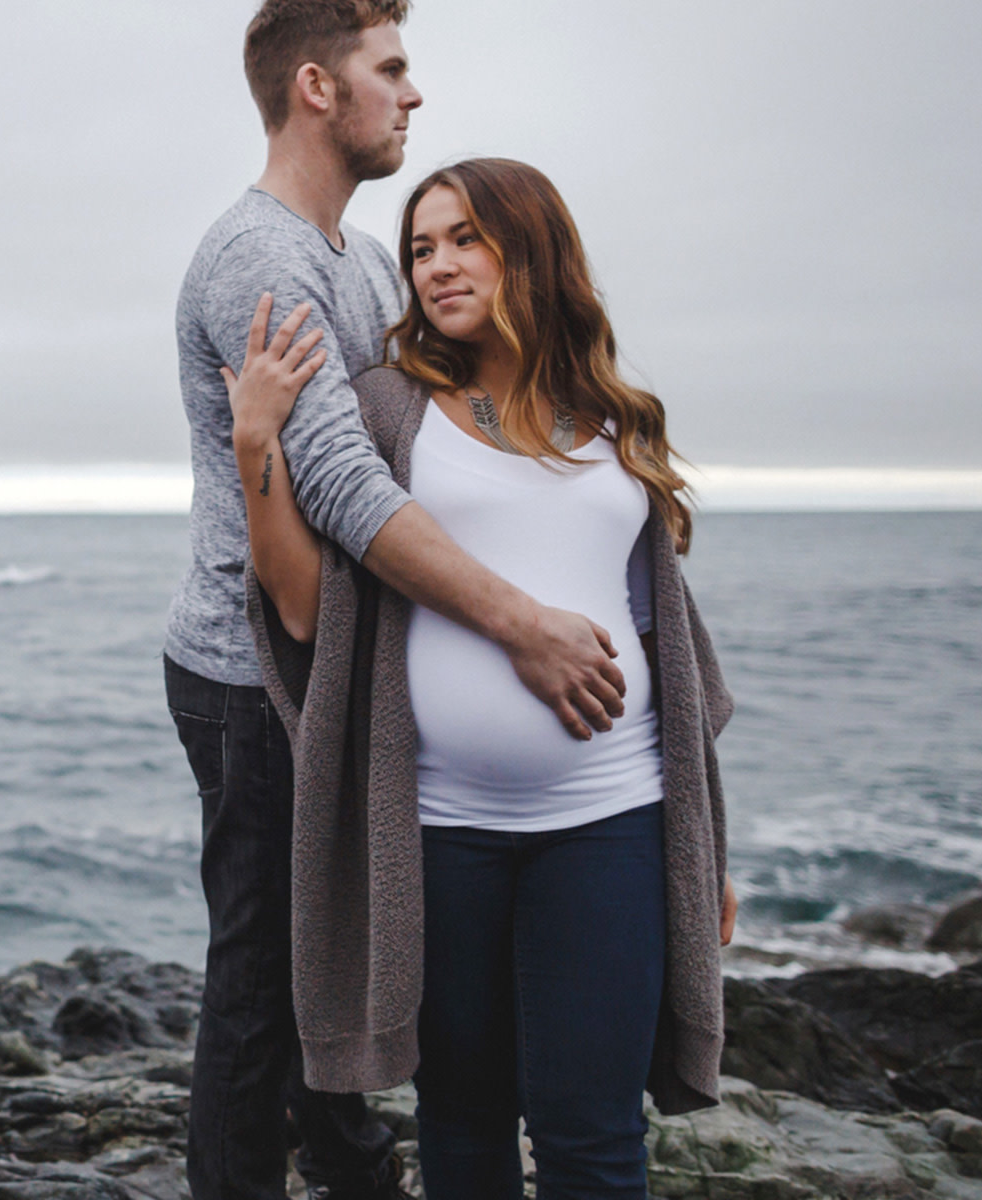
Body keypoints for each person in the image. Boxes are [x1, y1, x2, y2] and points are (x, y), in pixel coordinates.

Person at [166, 4, 636, 1199]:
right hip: (254, 666)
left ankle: (355, 1171)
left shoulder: (366, 259)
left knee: (337, 951)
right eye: (393, 70)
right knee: (267, 973)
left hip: (343, 657)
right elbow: (345, 486)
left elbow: (439, 432)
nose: (412, 96)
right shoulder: (260, 260)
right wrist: (523, 626)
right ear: (320, 89)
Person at [223, 157, 740, 1200]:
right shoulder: (385, 410)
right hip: (441, 835)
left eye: (465, 239)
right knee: (462, 1134)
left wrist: (704, 844)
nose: (438, 266)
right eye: (420, 248)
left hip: (615, 821)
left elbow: (670, 657)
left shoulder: (614, 420)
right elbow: (301, 611)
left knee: (592, 1137)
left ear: (530, 247)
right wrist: (254, 445)